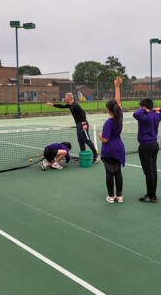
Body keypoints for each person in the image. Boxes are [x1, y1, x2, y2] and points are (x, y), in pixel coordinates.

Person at [46, 93, 100, 163]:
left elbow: (83, 113)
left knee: (87, 140)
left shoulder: (75, 105)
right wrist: (53, 105)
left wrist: (84, 124)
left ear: (69, 98)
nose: (64, 99)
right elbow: (62, 106)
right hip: (78, 125)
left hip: (82, 124)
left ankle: (96, 156)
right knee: (80, 141)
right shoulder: (70, 105)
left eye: (65, 97)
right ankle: (82, 156)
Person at [133, 98, 161, 203]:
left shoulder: (144, 116)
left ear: (143, 107)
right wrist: (158, 109)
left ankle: (150, 195)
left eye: (141, 106)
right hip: (154, 145)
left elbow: (135, 113)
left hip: (145, 146)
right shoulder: (156, 115)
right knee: (153, 170)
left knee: (148, 172)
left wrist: (144, 110)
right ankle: (153, 194)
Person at [99, 76, 125, 204]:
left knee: (110, 173)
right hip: (119, 148)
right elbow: (118, 101)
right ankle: (119, 196)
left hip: (109, 149)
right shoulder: (120, 117)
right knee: (118, 172)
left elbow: (105, 139)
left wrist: (99, 135)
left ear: (108, 109)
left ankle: (110, 196)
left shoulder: (108, 123)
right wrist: (117, 87)